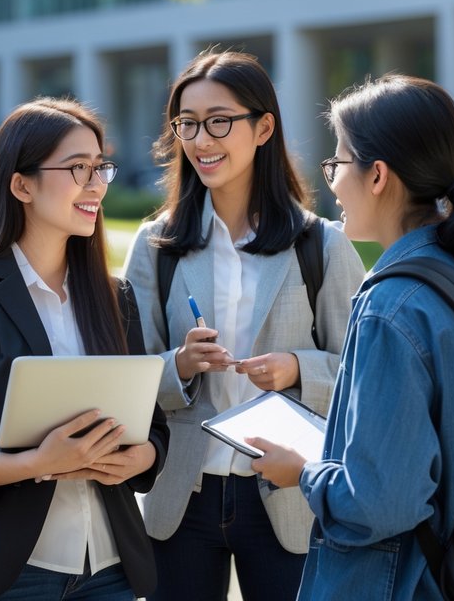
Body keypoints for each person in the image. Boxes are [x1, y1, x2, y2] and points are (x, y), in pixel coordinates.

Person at [243, 74, 454, 600]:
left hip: (403, 581)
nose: (329, 179)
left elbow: (378, 503)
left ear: (377, 175)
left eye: (336, 162)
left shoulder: (390, 307)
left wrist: (303, 471)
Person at [122, 50, 365, 601]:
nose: (201, 139)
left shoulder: (320, 243)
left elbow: (364, 372)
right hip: (181, 496)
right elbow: (127, 373)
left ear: (264, 128)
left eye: (219, 121)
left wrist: (296, 368)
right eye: (187, 124)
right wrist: (179, 366)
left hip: (288, 493)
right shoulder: (156, 245)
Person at [0, 97, 169, 601]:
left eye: (100, 168)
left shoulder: (117, 298)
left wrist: (140, 458)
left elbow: (153, 428)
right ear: (21, 184)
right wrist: (39, 462)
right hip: (11, 574)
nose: (96, 185)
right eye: (78, 169)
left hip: (110, 570)